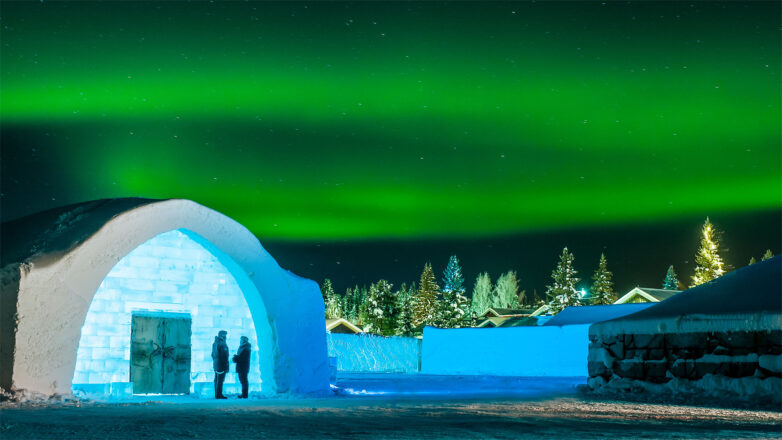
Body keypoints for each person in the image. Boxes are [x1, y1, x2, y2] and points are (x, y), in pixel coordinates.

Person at [211, 330, 229, 399]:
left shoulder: (215, 343)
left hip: (216, 364)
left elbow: (212, 354)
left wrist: (215, 361)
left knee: (217, 379)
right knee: (220, 380)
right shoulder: (222, 343)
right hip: (221, 364)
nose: (226, 337)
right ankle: (219, 395)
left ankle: (217, 394)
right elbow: (224, 355)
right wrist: (226, 364)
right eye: (225, 335)